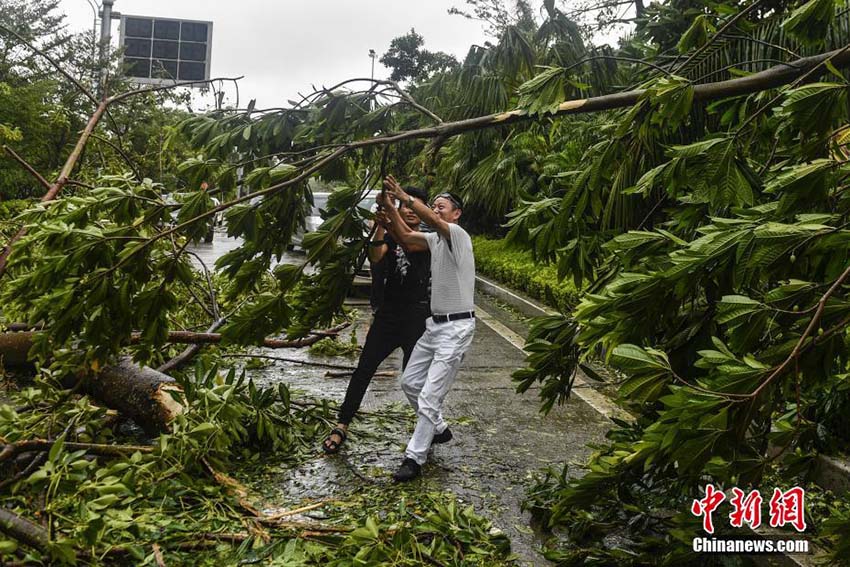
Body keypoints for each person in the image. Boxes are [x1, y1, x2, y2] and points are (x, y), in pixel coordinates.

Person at [377, 175, 475, 482]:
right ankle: (440, 429)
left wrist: (403, 197)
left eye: (441, 206)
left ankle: (414, 458)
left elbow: (429, 220)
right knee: (410, 382)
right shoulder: (435, 240)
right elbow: (407, 238)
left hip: (457, 328)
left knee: (430, 395)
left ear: (456, 214)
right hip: (434, 326)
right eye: (434, 205)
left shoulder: (458, 235)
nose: (435, 210)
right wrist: (388, 209)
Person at [321, 185, 433, 454]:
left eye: (416, 206)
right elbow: (375, 255)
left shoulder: (428, 238)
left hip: (417, 317)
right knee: (363, 370)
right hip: (387, 316)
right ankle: (342, 424)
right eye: (406, 206)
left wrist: (390, 213)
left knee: (417, 380)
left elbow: (408, 242)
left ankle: (427, 431)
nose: (410, 211)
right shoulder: (389, 235)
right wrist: (381, 222)